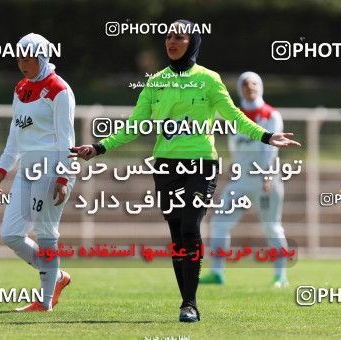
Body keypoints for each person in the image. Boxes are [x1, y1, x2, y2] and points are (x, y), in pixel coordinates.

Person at [70, 20, 300, 322]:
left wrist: (267, 136)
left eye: (179, 37)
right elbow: (135, 125)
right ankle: (186, 299)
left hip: (201, 165)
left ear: (192, 42)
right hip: (166, 166)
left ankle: (189, 304)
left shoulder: (208, 79)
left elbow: (234, 117)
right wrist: (99, 147)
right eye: (168, 37)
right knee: (178, 236)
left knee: (191, 228)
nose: (171, 42)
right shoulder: (156, 82)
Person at [0, 33, 75, 312]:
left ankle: (45, 301)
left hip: (51, 169)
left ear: (43, 58)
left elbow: (66, 140)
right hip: (27, 168)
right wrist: (3, 168)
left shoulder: (59, 90)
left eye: (29, 59)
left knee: (46, 232)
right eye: (20, 59)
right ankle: (56, 276)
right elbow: (15, 133)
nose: (24, 64)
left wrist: (63, 177)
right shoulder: (20, 88)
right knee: (10, 234)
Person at [199, 71, 290, 288]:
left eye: (255, 83)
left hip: (265, 180)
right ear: (240, 88)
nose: (251, 88)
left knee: (271, 227)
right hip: (241, 180)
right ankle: (217, 273)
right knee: (219, 223)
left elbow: (271, 149)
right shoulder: (234, 116)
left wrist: (267, 174)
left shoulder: (271, 115)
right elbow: (235, 148)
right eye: (246, 84)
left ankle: (281, 276)